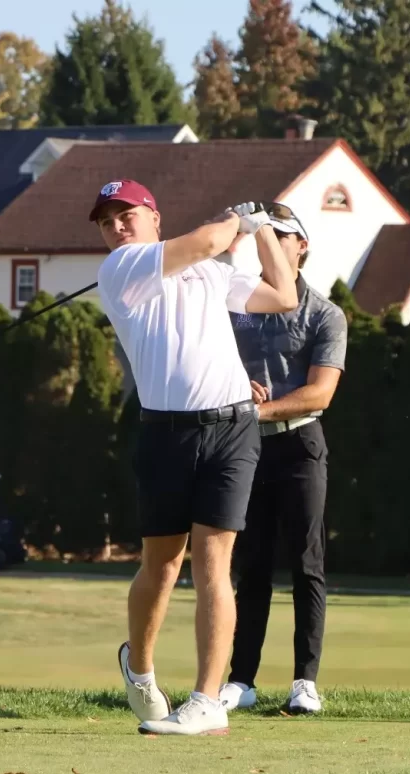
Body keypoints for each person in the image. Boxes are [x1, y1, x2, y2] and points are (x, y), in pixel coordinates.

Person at [92, 180, 299, 736]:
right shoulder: (123, 269)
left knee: (213, 563)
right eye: (106, 220)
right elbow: (207, 242)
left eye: (125, 214)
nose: (116, 226)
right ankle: (139, 667)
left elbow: (284, 296)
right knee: (160, 566)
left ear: (153, 215)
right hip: (166, 434)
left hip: (232, 427)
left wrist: (262, 235)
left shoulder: (210, 270)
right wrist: (238, 217)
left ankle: (208, 700)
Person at [215, 206, 347, 716]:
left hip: (299, 445)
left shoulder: (324, 314)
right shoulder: (240, 302)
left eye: (280, 234)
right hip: (246, 446)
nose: (269, 241)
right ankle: (241, 680)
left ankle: (304, 681)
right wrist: (233, 387)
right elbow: (215, 358)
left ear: (301, 247)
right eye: (263, 233)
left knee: (307, 564)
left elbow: (320, 394)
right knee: (251, 568)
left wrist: (258, 408)